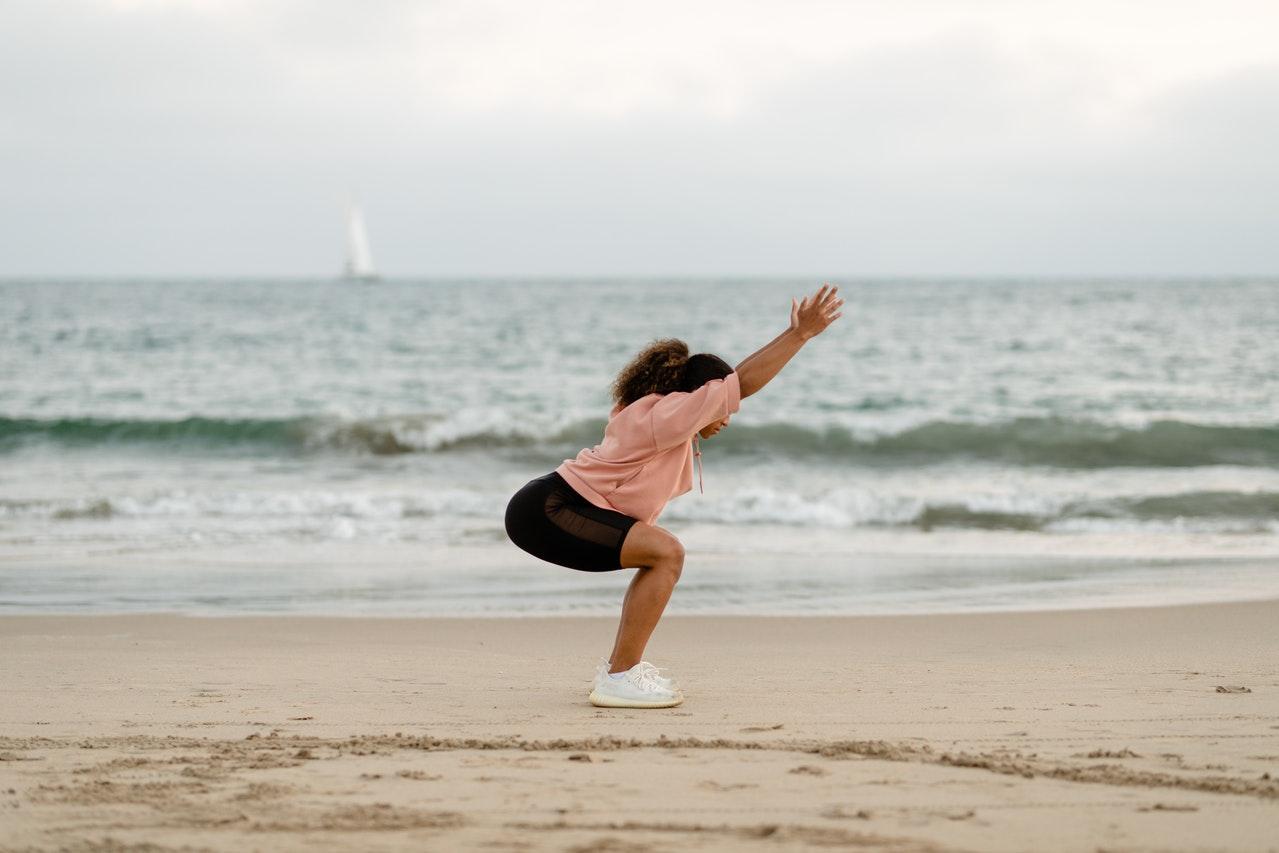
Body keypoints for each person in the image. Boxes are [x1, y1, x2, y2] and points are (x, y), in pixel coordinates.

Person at [504, 284, 844, 708]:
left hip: (550, 507)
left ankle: (620, 671)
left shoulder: (664, 420)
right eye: (719, 406)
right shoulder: (665, 416)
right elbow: (743, 382)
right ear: (695, 399)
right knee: (668, 552)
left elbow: (730, 386)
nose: (727, 417)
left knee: (659, 554)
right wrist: (798, 335)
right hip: (550, 509)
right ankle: (620, 676)